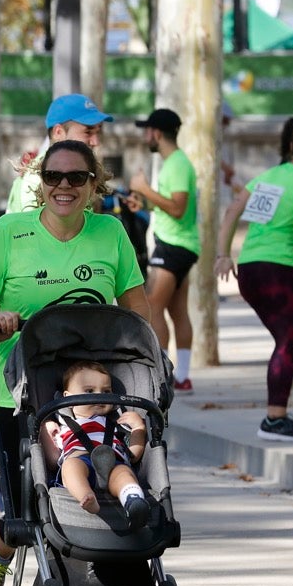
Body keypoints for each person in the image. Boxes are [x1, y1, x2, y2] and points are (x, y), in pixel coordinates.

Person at [0, 138, 151, 586]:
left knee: (97, 489)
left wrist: (150, 363)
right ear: (40, 183)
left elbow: (137, 312)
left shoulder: (110, 234)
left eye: (76, 177)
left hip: (95, 392)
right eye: (53, 177)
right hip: (21, 389)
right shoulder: (9, 232)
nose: (64, 186)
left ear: (92, 184)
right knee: (29, 505)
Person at [216, 111, 293, 442]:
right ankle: (274, 419)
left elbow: (231, 211)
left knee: (286, 341)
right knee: (290, 341)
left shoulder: (267, 178)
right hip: (277, 270)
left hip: (249, 269)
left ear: (291, 146)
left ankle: (277, 414)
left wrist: (224, 255)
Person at [129, 107, 199, 391]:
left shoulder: (178, 164)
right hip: (181, 245)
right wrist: (144, 203)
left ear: (156, 133)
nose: (146, 136)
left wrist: (144, 189)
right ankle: (182, 376)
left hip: (172, 247)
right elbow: (170, 205)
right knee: (177, 310)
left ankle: (163, 376)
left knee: (152, 306)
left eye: (147, 131)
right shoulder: (175, 164)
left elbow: (179, 208)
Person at [42, 360, 150, 525]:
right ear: (67, 397)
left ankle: (133, 500)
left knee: (123, 473)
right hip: (80, 459)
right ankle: (86, 496)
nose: (99, 396)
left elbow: (133, 455)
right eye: (89, 391)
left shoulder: (117, 422)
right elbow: (52, 460)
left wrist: (138, 428)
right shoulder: (62, 426)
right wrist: (44, 431)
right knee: (69, 467)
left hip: (113, 462)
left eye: (106, 391)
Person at [6, 94, 111, 213]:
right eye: (88, 132)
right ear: (58, 132)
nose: (95, 141)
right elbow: (38, 230)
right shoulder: (35, 179)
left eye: (98, 132)